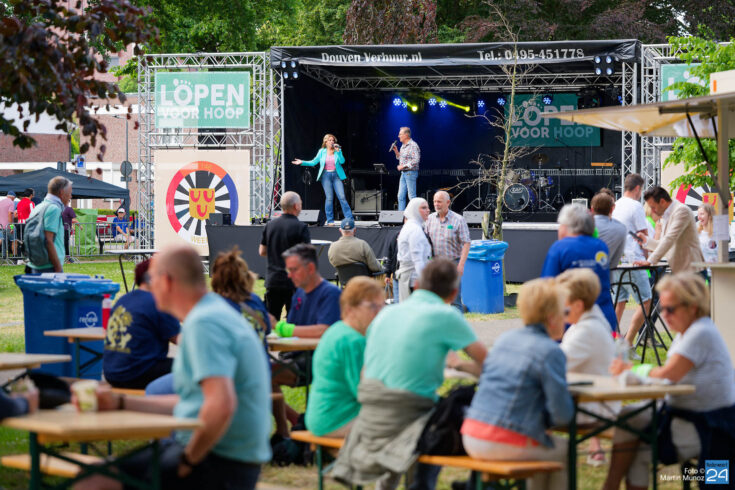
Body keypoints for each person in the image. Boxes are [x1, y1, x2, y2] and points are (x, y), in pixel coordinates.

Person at [76, 245, 271, 490]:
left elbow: (221, 406)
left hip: (220, 461)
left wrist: (188, 460)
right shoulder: (209, 312)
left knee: (95, 480)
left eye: (151, 279)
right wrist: (119, 402)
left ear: (166, 281)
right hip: (224, 455)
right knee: (99, 475)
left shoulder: (204, 322)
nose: (148, 287)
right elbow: (194, 403)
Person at [332, 258, 487, 490]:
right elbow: (489, 365)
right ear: (454, 294)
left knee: (433, 416)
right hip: (409, 413)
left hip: (371, 412)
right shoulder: (445, 316)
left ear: (416, 285)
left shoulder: (385, 314)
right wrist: (459, 365)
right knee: (459, 421)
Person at [604, 273, 735, 490]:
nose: (664, 315)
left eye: (670, 309)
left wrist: (630, 370)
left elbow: (668, 374)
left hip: (712, 426)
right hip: (688, 415)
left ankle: (611, 484)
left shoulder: (700, 333)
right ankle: (612, 483)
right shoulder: (688, 332)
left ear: (692, 307)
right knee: (629, 418)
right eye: (662, 308)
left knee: (635, 435)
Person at [461, 277, 572, 490]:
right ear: (552, 318)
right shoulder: (550, 351)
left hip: (472, 433)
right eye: (564, 313)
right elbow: (562, 415)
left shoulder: (505, 339)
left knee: (547, 446)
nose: (566, 319)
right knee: (563, 448)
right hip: (503, 439)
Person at [305, 277, 385, 438]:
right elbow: (365, 393)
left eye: (381, 306)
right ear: (350, 308)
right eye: (372, 306)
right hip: (338, 420)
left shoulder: (337, 330)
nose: (378, 313)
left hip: (321, 417)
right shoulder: (353, 341)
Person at [557, 268, 617, 466]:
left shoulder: (585, 331)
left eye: (562, 303)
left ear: (578, 305)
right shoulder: (591, 321)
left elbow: (554, 366)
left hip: (592, 408)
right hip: (594, 401)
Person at [103, 259, 180, 389]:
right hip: (137, 373)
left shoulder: (124, 300)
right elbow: (182, 340)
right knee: (193, 367)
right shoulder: (158, 302)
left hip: (111, 373)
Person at [541, 203, 617, 331]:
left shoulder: (560, 248)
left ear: (566, 226)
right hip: (603, 318)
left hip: (570, 321)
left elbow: (548, 285)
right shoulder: (601, 246)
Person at [612, 174, 654, 346]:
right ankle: (628, 343)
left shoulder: (616, 205)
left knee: (619, 302)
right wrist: (647, 258)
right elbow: (643, 235)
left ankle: (612, 341)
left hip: (617, 260)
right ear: (637, 188)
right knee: (646, 301)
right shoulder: (636, 206)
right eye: (641, 189)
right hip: (633, 260)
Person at [259, 191, 311, 319]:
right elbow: (307, 255)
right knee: (294, 321)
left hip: (273, 280)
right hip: (293, 282)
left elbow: (262, 251)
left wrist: (276, 252)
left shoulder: (270, 225)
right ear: (296, 206)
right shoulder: (301, 227)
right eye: (301, 204)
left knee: (271, 320)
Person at [275, 243, 341, 339]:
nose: (289, 275)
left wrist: (281, 328)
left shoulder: (331, 294)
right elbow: (293, 326)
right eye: (289, 270)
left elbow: (324, 330)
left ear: (310, 268)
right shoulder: (299, 292)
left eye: (294, 270)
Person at [636, 186, 704, 273]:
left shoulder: (682, 211)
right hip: (683, 270)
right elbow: (663, 243)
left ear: (662, 202)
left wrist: (650, 261)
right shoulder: (668, 214)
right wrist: (646, 241)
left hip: (692, 270)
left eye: (653, 207)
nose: (652, 211)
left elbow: (669, 239)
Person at [292, 133, 353, 225]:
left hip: (336, 175)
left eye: (333, 140)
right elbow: (313, 162)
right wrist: (302, 162)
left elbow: (342, 161)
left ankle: (349, 219)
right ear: (326, 142)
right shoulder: (322, 151)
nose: (332, 142)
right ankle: (330, 220)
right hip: (326, 176)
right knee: (329, 198)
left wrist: (339, 152)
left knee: (342, 197)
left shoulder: (337, 150)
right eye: (330, 140)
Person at [425, 191, 471, 310]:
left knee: (454, 299)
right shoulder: (429, 219)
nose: (436, 204)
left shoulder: (458, 220)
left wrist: (461, 265)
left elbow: (466, 243)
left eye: (439, 202)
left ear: (448, 202)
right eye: (434, 201)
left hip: (453, 264)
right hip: (435, 265)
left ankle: (456, 321)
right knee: (434, 298)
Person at [25, 176, 72, 273]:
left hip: (37, 263)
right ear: (62, 192)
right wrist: (58, 268)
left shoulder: (39, 207)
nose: (70, 196)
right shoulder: (53, 209)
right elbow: (48, 240)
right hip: (50, 266)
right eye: (69, 193)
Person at [396, 197, 432, 301]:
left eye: (428, 207)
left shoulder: (412, 226)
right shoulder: (414, 229)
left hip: (411, 278)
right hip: (413, 279)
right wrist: (424, 281)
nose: (428, 210)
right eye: (423, 208)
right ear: (414, 210)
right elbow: (417, 259)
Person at [591, 191, 626, 275]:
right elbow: (615, 262)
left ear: (592, 209)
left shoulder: (582, 225)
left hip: (582, 276)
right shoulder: (621, 228)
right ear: (612, 209)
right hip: (605, 276)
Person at [392, 127, 421, 211]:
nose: (398, 136)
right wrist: (396, 152)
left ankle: (414, 216)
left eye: (400, 134)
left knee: (411, 196)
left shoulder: (413, 145)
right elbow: (401, 158)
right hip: (404, 173)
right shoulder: (403, 146)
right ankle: (401, 216)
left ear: (406, 135)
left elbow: (416, 160)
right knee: (400, 196)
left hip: (411, 173)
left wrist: (403, 166)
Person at [0, 191, 17, 257]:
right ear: (13, 197)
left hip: (1, 226)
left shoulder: (1, 202)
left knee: (2, 241)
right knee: (14, 241)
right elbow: (10, 214)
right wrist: (12, 226)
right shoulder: (11, 203)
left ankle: (4, 256)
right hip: (8, 226)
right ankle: (15, 257)